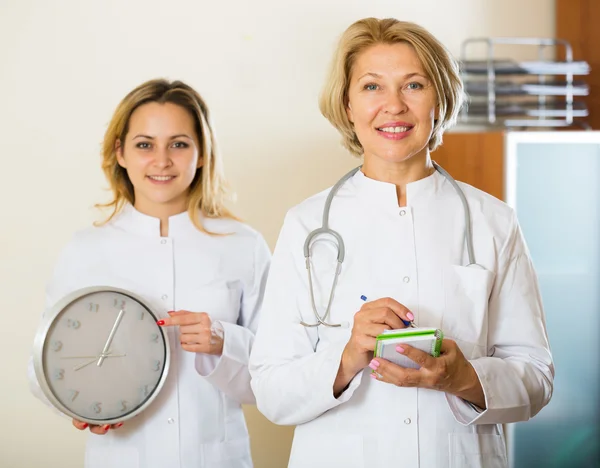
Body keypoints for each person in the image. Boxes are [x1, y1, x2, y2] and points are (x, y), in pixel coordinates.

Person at [249, 18, 553, 468]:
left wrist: (464, 377)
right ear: (347, 105)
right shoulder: (307, 226)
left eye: (413, 84)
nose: (393, 106)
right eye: (372, 87)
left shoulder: (493, 222)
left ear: (440, 100)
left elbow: (537, 378)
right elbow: (271, 390)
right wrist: (348, 355)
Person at [29, 79, 270, 468]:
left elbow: (275, 375)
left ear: (203, 153)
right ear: (120, 152)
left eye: (178, 143)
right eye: (145, 144)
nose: (162, 160)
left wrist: (222, 340)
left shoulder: (243, 245)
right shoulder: (86, 249)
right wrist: (78, 405)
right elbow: (43, 363)